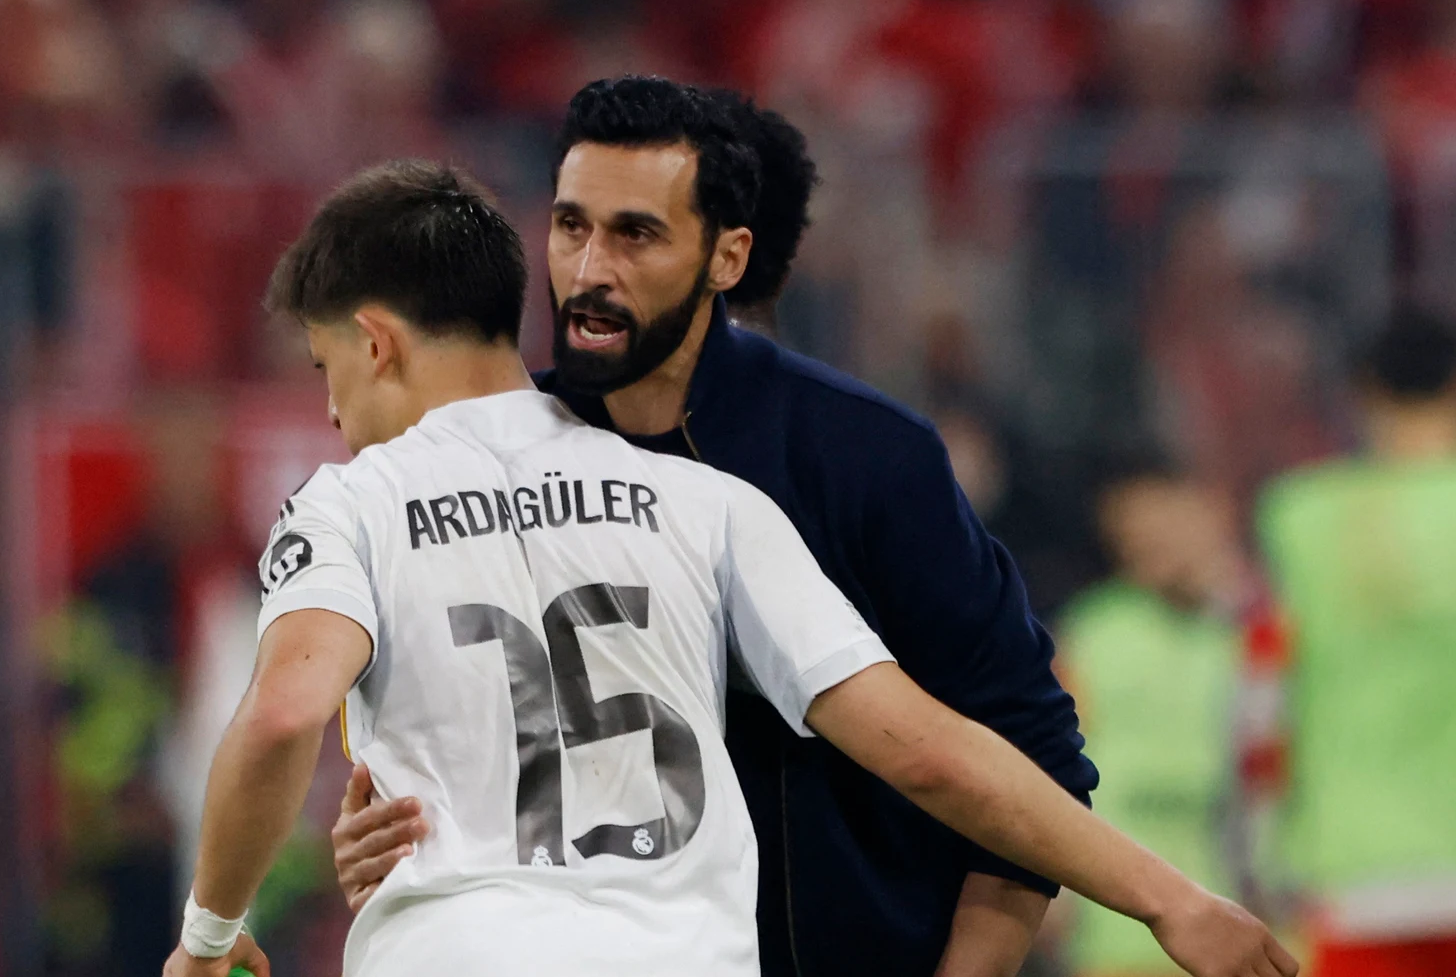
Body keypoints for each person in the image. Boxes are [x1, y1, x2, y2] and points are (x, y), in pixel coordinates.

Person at [161, 159, 1295, 977]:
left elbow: (280, 717)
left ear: (375, 341)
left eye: (324, 369)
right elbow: (931, 751)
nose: (329, 411)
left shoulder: (350, 502)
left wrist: (208, 940)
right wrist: (1171, 899)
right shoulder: (700, 502)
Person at [332, 75, 1098, 977]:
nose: (588, 270)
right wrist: (390, 824)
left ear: (726, 258)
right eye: (571, 226)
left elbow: (1032, 749)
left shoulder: (867, 459)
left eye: (635, 234)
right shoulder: (488, 460)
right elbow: (457, 740)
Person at [1247, 308, 1456, 977]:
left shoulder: (1298, 518)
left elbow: (1261, 698)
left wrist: (1256, 853)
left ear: (1361, 392)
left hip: (1354, 874)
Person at [1056, 455, 1256, 977]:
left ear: (1210, 516)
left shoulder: (1248, 634)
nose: (1145, 543)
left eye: (1161, 524)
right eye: (1129, 533)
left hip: (1238, 922)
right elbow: (1045, 766)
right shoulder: (1094, 631)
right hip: (1119, 934)